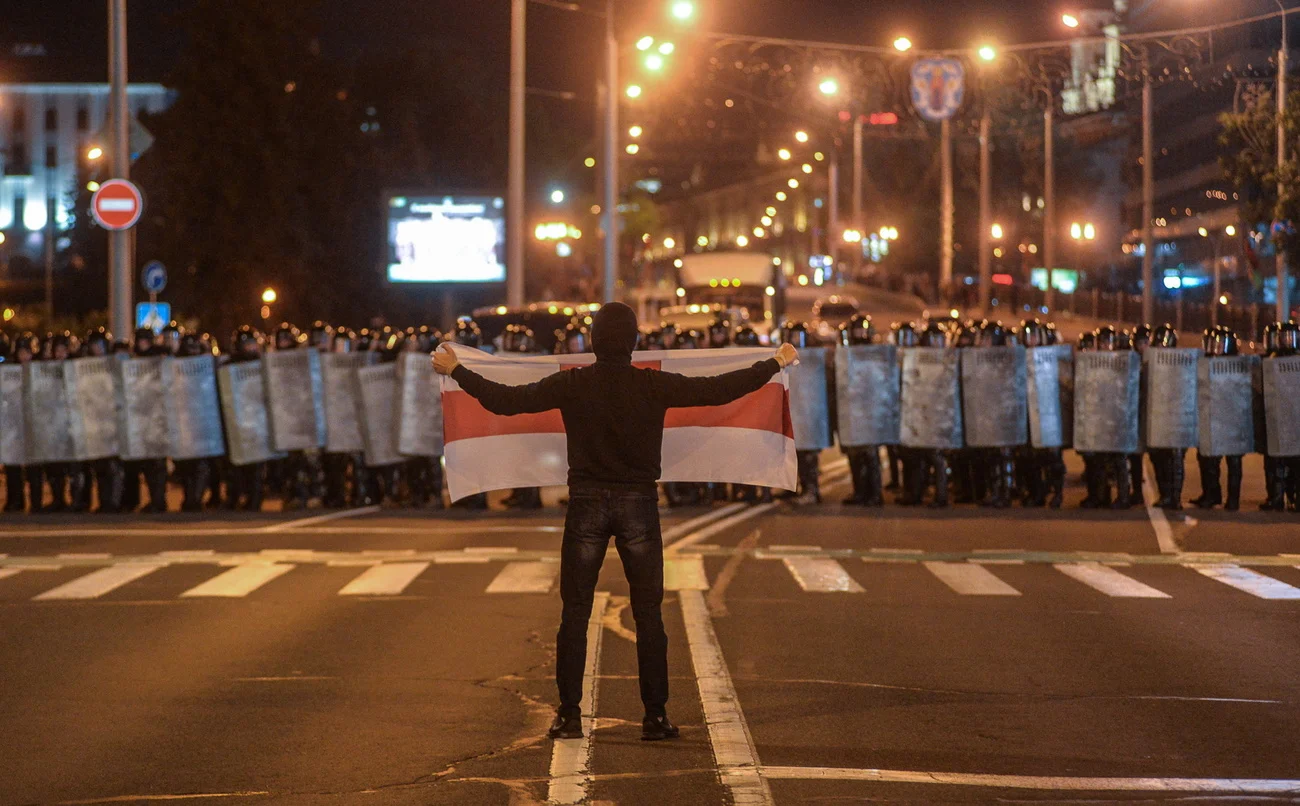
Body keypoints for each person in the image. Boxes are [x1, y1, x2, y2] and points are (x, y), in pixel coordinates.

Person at [433, 301, 796, 742]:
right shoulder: (652, 385)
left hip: (585, 502)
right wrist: (774, 361)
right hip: (638, 503)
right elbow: (720, 389)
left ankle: (568, 716)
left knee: (575, 614)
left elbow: (506, 401)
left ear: (592, 342)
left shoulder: (573, 384)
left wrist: (457, 370)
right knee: (649, 615)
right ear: (635, 343)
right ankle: (655, 717)